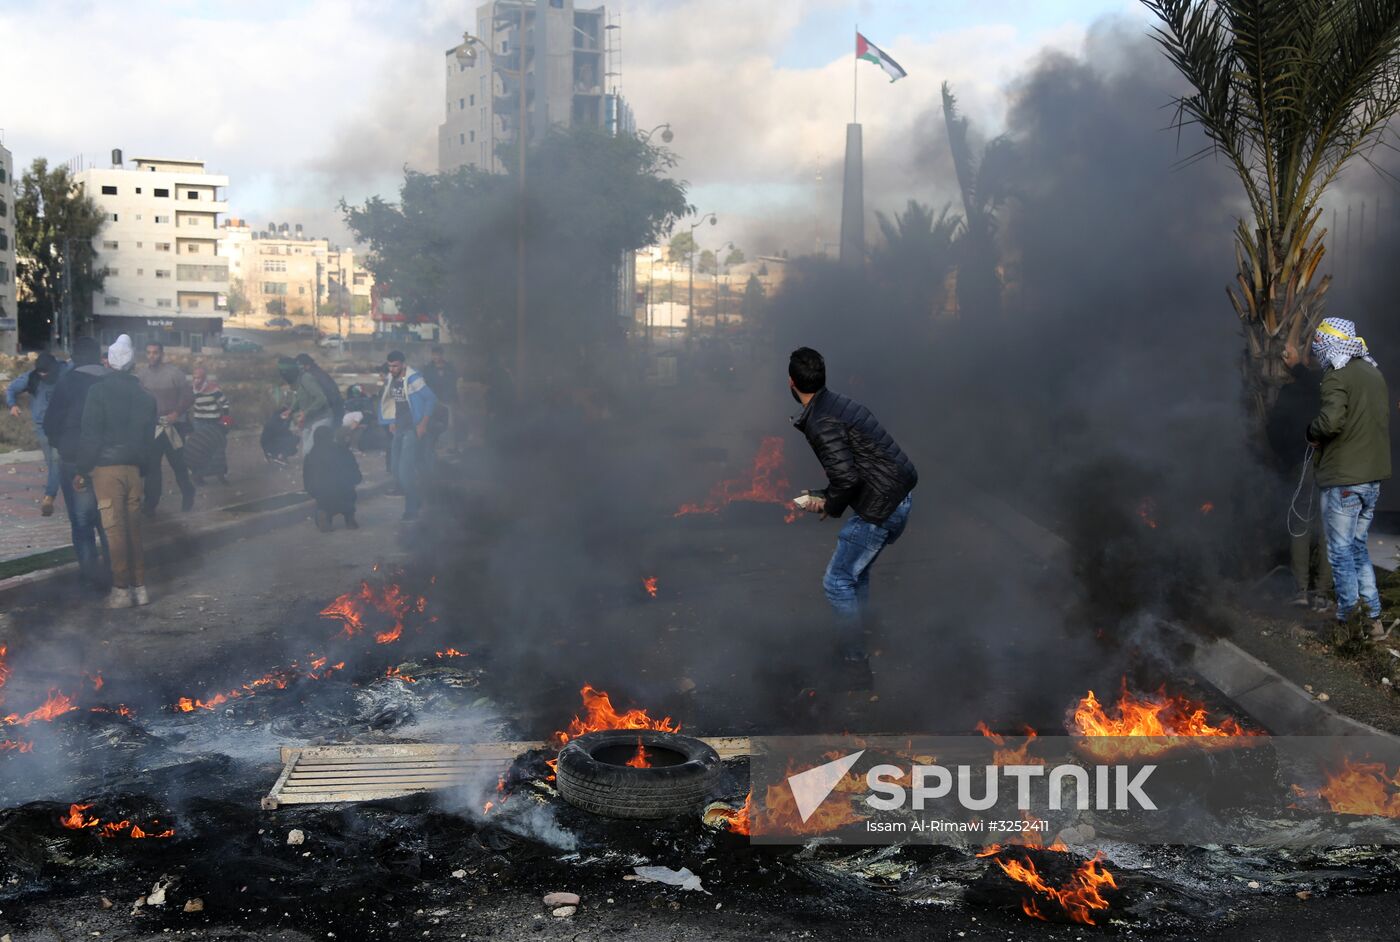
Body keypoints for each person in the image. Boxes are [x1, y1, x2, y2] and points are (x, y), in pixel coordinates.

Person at [788, 347, 917, 682]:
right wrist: (825, 497)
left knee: (835, 582)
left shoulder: (820, 420)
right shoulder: (839, 403)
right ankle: (856, 640)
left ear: (791, 382)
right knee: (854, 576)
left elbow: (847, 478)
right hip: (897, 495)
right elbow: (853, 467)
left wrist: (830, 504)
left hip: (882, 506)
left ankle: (854, 665)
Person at [1307, 317, 1392, 641]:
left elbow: (1330, 422)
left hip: (1344, 479)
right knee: (1358, 548)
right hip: (1371, 479)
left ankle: (1348, 621)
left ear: (1328, 344)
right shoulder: (1374, 373)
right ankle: (1372, 620)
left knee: (1340, 551)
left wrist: (1311, 431)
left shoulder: (1336, 376)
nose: (1316, 351)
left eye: (1318, 344)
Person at [76, 335, 157, 609]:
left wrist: (81, 468)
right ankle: (141, 588)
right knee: (134, 530)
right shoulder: (146, 397)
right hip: (134, 469)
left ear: (108, 363)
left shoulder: (97, 393)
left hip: (106, 470)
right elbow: (149, 440)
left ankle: (121, 590)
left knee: (115, 531)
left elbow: (90, 435)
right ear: (133, 364)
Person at [1267, 345, 1331, 610]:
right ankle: (1321, 592)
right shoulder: (1330, 390)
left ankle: (1302, 590)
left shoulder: (1297, 389)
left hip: (1302, 466)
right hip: (1328, 465)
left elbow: (1273, 430)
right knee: (1327, 527)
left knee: (1301, 526)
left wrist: (1288, 459)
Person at [42, 337, 109, 587]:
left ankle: (92, 581)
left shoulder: (67, 383)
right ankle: (115, 576)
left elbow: (50, 424)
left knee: (82, 523)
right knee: (107, 521)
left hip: (74, 460)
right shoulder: (109, 381)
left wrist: (64, 445)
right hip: (107, 461)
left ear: (75, 357)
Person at [7, 351, 70, 517]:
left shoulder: (65, 371)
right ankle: (64, 497)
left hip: (62, 425)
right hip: (42, 427)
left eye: (46, 373)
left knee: (58, 461)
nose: (43, 376)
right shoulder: (31, 377)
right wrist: (12, 405)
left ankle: (50, 496)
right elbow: (11, 389)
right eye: (40, 373)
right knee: (54, 463)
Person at [136, 342, 195, 515]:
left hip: (173, 427)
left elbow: (188, 396)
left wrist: (177, 413)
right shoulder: (142, 376)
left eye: (155, 352)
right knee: (152, 467)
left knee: (178, 464)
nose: (152, 356)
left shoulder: (174, 373)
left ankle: (188, 492)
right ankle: (151, 503)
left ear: (161, 354)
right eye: (149, 352)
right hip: (153, 427)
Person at [378, 350, 437, 522]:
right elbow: (392, 401)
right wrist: (391, 420)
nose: (392, 369)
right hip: (399, 428)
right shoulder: (392, 378)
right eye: (389, 366)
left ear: (403, 364)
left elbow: (431, 399)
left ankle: (411, 508)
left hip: (413, 428)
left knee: (405, 471)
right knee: (395, 470)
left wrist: (423, 425)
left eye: (395, 365)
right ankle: (418, 499)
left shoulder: (413, 379)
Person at [303, 425, 362, 532]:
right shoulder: (342, 451)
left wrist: (312, 491)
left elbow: (307, 479)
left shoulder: (310, 456)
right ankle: (350, 519)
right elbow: (354, 471)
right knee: (348, 498)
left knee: (324, 505)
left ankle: (325, 515)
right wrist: (354, 481)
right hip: (344, 492)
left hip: (322, 495)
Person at [185, 360, 232, 484]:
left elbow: (226, 405)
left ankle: (221, 475)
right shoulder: (192, 390)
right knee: (200, 450)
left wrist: (226, 424)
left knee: (219, 450)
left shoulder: (213, 389)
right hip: (199, 423)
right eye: (194, 378)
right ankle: (198, 476)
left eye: (199, 378)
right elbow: (187, 406)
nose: (196, 380)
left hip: (214, 423)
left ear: (204, 378)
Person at [279, 356, 331, 456]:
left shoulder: (306, 378)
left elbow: (321, 398)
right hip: (309, 420)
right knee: (306, 453)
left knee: (310, 451)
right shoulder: (299, 380)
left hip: (321, 418)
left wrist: (306, 412)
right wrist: (291, 410)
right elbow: (300, 396)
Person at [420, 345, 460, 455]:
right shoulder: (428, 368)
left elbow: (454, 383)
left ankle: (452, 447)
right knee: (434, 424)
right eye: (434, 355)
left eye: (438, 355)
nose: (436, 357)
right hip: (434, 400)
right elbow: (425, 384)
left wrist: (453, 398)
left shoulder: (450, 367)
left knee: (451, 424)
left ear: (442, 355)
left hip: (448, 399)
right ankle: (434, 447)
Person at [295, 353, 344, 424]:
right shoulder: (317, 372)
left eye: (299, 365)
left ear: (305, 365)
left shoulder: (312, 375)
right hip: (335, 407)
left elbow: (324, 395)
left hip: (332, 408)